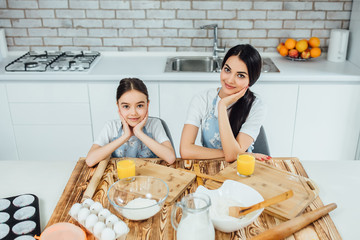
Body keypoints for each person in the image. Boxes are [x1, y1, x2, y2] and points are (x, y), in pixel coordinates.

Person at [180, 44, 271, 162]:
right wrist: (238, 154)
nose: (230, 80)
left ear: (251, 80)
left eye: (240, 75)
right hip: (209, 166)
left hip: (242, 169)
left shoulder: (256, 106)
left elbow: (233, 157)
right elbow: (185, 150)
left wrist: (222, 106)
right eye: (227, 70)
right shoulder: (202, 99)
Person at [86, 78, 176, 167]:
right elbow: (90, 160)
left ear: (147, 105)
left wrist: (139, 133)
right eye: (126, 106)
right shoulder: (111, 126)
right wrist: (125, 136)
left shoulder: (154, 124)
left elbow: (170, 158)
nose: (133, 113)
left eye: (140, 106)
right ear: (118, 106)